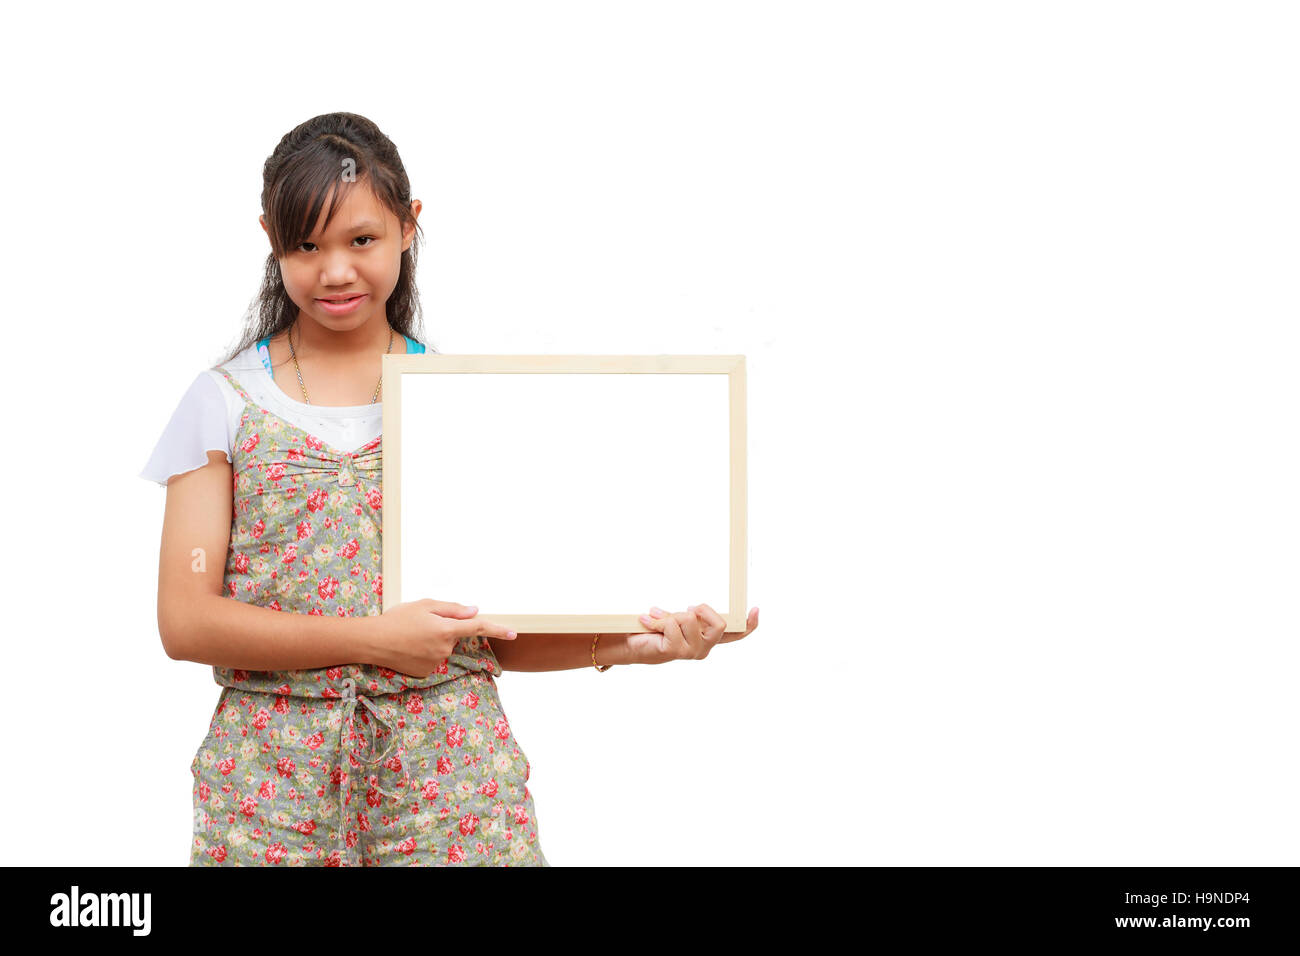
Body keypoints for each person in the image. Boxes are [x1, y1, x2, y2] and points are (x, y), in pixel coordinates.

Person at [140, 111, 760, 867]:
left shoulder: (460, 402)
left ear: (409, 226)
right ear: (271, 238)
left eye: (361, 239)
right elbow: (186, 619)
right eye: (306, 245)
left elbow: (491, 629)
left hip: (451, 794)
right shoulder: (224, 400)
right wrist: (373, 639)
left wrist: (635, 644)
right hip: (270, 796)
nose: (335, 271)